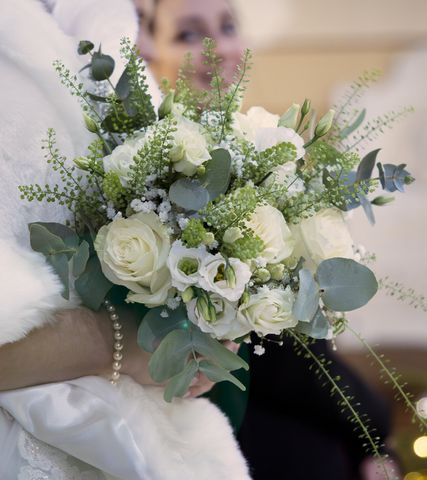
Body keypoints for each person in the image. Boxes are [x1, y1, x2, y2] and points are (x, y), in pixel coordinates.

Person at [0, 0, 249, 478]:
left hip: (156, 442)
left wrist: (209, 317)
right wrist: (121, 343)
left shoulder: (104, 35)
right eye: (189, 34)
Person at [151, 2, 399, 478]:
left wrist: (374, 438)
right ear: (148, 48)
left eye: (227, 27)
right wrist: (374, 427)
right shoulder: (164, 179)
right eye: (187, 34)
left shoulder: (259, 151)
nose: (217, 48)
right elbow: (284, 364)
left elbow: (304, 355)